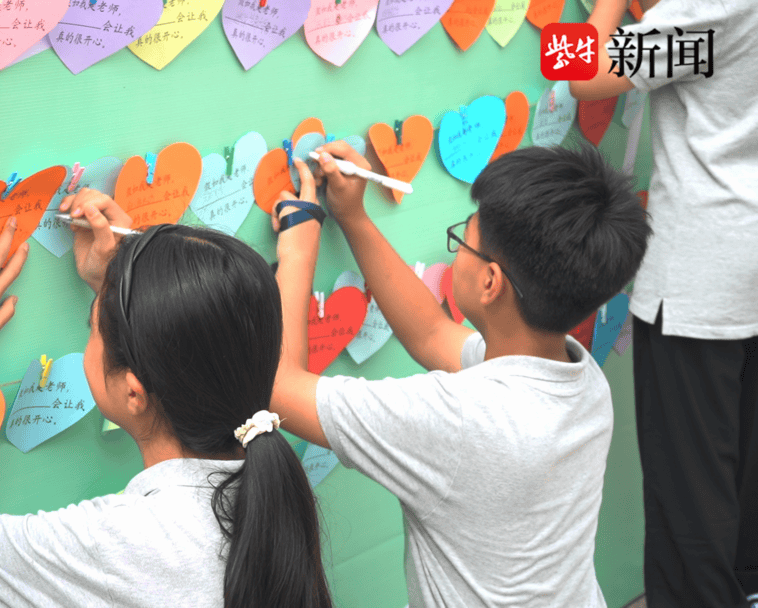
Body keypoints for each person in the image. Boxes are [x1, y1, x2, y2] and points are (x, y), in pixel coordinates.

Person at [0, 202, 333, 608]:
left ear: (134, 393)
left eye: (92, 325)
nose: (90, 333)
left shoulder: (121, 543)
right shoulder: (271, 488)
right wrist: (124, 283)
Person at [268, 145, 650, 607]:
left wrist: (298, 249)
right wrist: (354, 218)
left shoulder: (459, 419)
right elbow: (431, 333)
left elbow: (280, 390)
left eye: (463, 241)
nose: (457, 253)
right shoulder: (580, 379)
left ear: (491, 282)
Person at [571, 2, 758, 606]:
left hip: (701, 284)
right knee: (743, 496)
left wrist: (604, 7)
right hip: (743, 274)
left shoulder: (711, 11)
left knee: (692, 514)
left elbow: (581, 70)